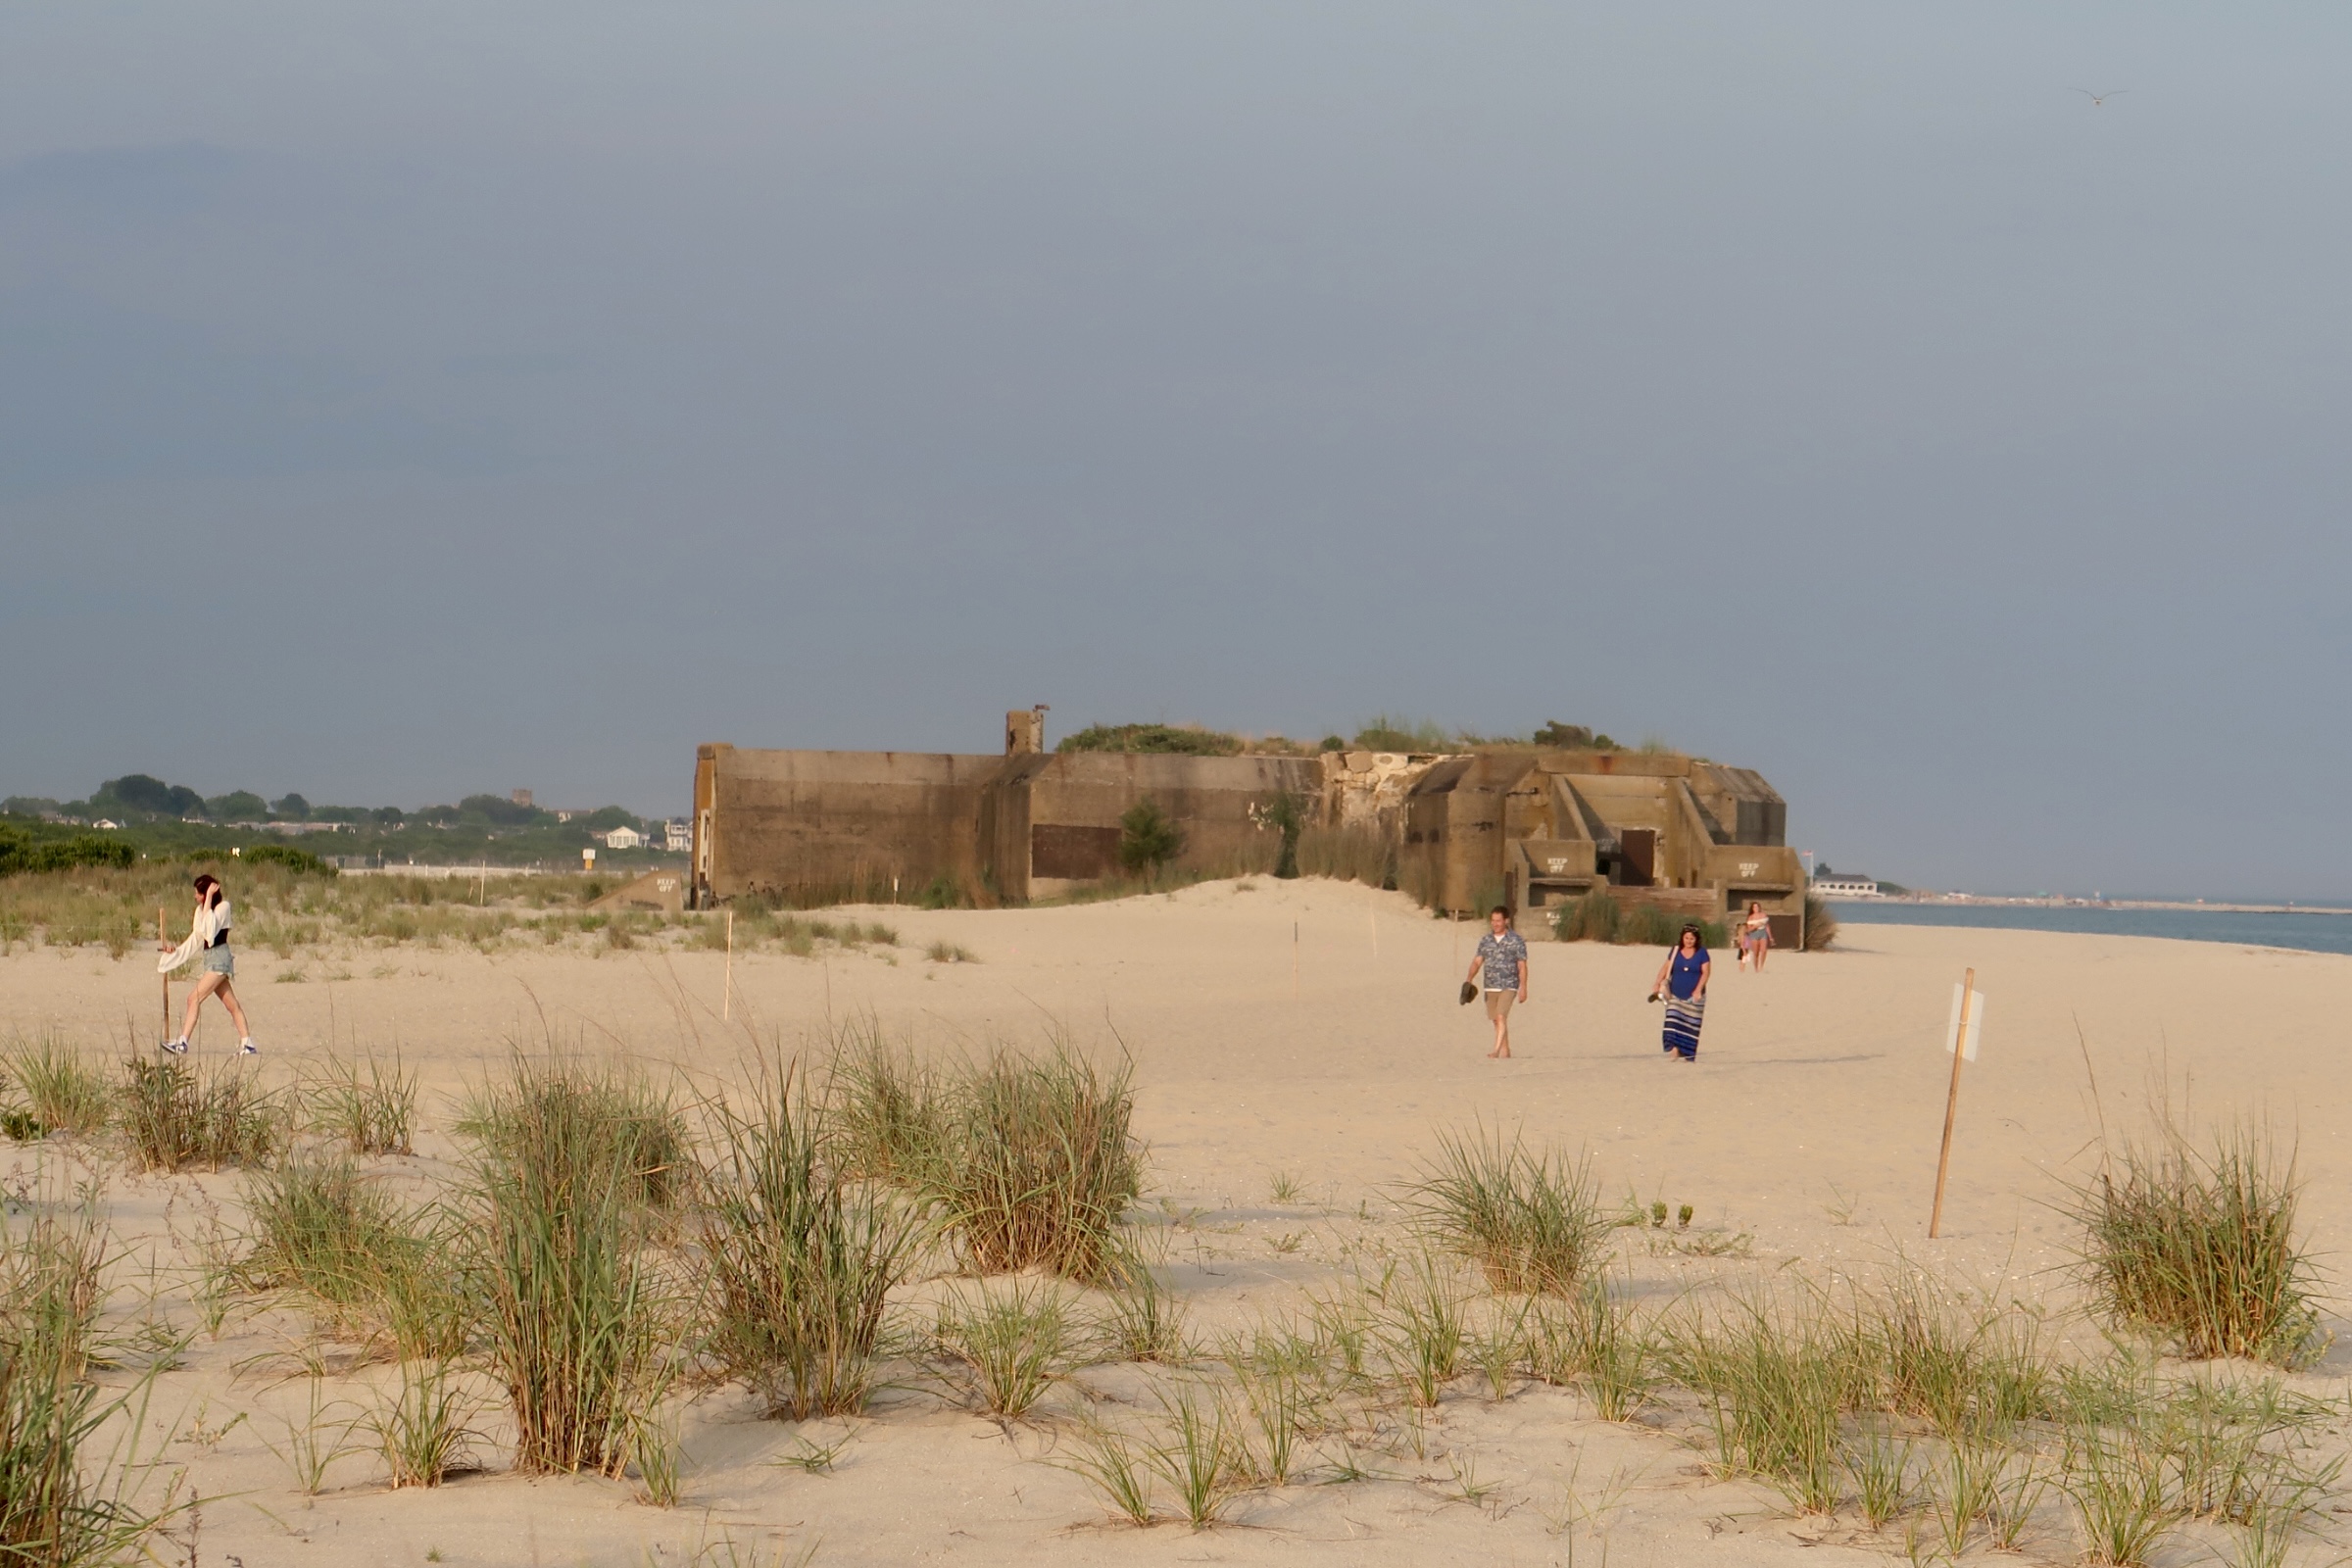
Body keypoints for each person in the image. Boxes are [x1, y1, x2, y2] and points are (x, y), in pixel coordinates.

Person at [157, 873, 257, 1055]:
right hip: (210, 959)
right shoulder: (200, 910)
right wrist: (175, 953)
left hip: (220, 959)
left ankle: (182, 1043)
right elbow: (197, 938)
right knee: (231, 1005)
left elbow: (210, 932)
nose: (195, 897)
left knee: (193, 998)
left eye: (199, 893)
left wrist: (210, 898)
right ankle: (247, 1042)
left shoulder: (223, 907)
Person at [1462, 905, 1529, 1059]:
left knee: (1501, 1016)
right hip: (1490, 985)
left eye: (1498, 921)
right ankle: (1506, 1051)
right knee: (1495, 1020)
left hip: (1509, 984)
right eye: (1493, 921)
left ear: (1506, 921)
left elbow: (1522, 965)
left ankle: (1496, 1051)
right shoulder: (1486, 940)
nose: (1495, 924)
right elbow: (1477, 961)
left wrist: (1523, 987)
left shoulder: (1516, 940)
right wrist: (1469, 979)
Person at [1649, 923, 1711, 1062]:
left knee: (1690, 1025)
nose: (1689, 941)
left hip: (1694, 996)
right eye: (1686, 938)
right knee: (1672, 1021)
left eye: (1692, 938)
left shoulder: (1702, 953)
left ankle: (1686, 1053)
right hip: (1675, 994)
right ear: (1682, 937)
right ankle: (1674, 1050)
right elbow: (1666, 967)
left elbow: (1706, 972)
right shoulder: (1675, 950)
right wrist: (1657, 982)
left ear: (1697, 939)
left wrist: (1698, 989)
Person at [1739, 901, 1774, 972]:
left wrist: (1770, 937)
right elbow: (1748, 930)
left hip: (1763, 933)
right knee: (1756, 953)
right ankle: (1756, 968)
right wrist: (1755, 926)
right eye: (1754, 907)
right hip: (1754, 934)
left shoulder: (1763, 915)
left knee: (1764, 950)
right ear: (1752, 908)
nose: (1756, 908)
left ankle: (1761, 966)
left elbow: (1767, 926)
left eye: (1757, 906)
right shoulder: (1750, 918)